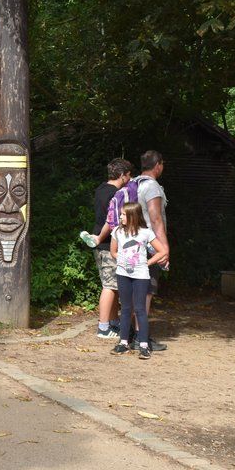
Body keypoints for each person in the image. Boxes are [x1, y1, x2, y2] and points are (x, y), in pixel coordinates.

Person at [109, 203, 168, 360]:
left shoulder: (146, 233)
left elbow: (162, 251)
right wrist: (122, 260)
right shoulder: (117, 231)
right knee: (126, 308)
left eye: (122, 214)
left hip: (141, 276)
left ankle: (143, 345)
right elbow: (113, 251)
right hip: (123, 274)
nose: (120, 217)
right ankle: (123, 343)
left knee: (140, 309)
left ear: (132, 216)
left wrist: (146, 263)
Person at [90, 159, 132, 338]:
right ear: (122, 175)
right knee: (109, 286)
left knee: (113, 285)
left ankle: (114, 322)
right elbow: (111, 220)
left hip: (100, 243)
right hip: (107, 244)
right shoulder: (117, 194)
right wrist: (101, 237)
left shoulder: (101, 189)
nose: (130, 179)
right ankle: (104, 327)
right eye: (129, 175)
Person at [131, 151, 169, 351]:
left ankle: (131, 333)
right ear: (157, 166)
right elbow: (155, 219)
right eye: (162, 164)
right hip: (148, 245)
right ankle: (141, 336)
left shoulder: (134, 183)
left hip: (132, 243)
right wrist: (164, 248)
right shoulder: (152, 186)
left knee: (135, 290)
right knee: (146, 292)